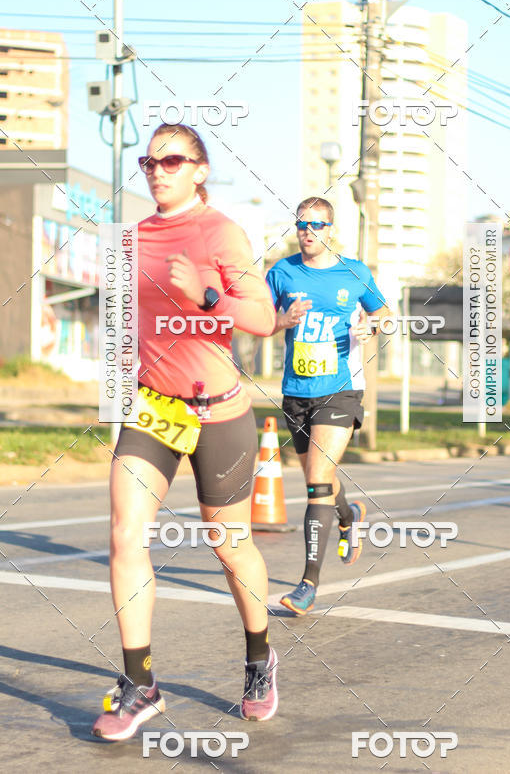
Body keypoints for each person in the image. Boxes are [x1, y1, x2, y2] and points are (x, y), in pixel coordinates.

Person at [92, 124, 278, 740]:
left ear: (200, 169)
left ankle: (258, 658)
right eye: (149, 160)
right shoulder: (132, 238)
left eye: (172, 159)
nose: (157, 169)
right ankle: (139, 684)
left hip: (219, 410)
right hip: (153, 409)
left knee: (228, 547)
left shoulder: (219, 232)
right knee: (125, 534)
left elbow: (262, 318)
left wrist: (203, 295)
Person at [266, 197, 387, 615]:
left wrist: (373, 325)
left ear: (330, 229)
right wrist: (281, 321)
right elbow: (260, 318)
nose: (308, 231)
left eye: (316, 224)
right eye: (301, 224)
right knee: (319, 479)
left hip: (341, 389)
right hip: (296, 391)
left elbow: (385, 312)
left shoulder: (354, 272)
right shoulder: (281, 272)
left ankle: (307, 585)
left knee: (318, 480)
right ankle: (349, 514)